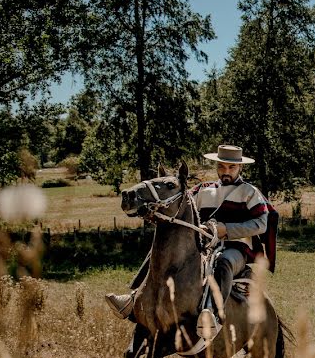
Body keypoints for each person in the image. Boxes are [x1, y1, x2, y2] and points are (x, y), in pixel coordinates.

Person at [105, 145, 275, 341]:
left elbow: (261, 223)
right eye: (222, 166)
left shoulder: (250, 192)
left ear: (240, 168)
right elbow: (178, 202)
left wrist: (225, 230)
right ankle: (133, 297)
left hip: (235, 248)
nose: (226, 171)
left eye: (231, 167)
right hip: (201, 245)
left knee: (223, 262)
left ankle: (212, 313)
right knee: (159, 252)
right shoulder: (204, 189)